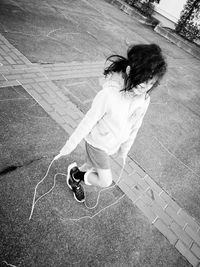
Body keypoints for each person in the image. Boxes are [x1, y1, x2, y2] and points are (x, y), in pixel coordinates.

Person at [56, 43, 167, 203]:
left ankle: (76, 175)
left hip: (111, 144)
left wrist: (124, 150)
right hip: (97, 143)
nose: (145, 87)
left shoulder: (144, 100)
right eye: (143, 80)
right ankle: (75, 176)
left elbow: (135, 126)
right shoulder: (109, 95)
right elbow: (87, 122)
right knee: (105, 180)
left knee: (91, 165)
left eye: (150, 83)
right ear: (130, 71)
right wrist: (68, 147)